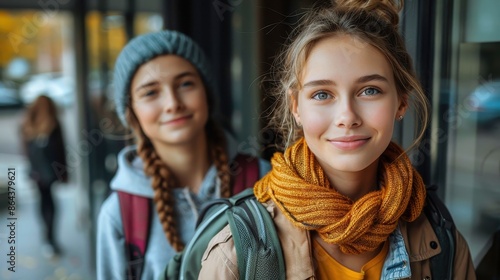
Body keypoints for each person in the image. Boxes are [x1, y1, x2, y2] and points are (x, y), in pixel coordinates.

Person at [199, 1, 476, 279]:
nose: (347, 116)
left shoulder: (440, 237)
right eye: (322, 94)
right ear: (296, 107)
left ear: (401, 102)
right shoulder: (238, 253)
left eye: (369, 90)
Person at [96, 30, 271, 280]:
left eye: (186, 84)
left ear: (207, 95)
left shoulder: (263, 179)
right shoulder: (119, 215)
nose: (172, 103)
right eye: (150, 92)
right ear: (132, 113)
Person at [21, 95, 68, 259]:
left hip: (37, 173)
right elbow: (61, 151)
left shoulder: (28, 125)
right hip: (49, 172)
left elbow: (27, 152)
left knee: (43, 201)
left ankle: (47, 236)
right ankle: (50, 237)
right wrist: (64, 173)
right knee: (50, 203)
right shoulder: (53, 125)